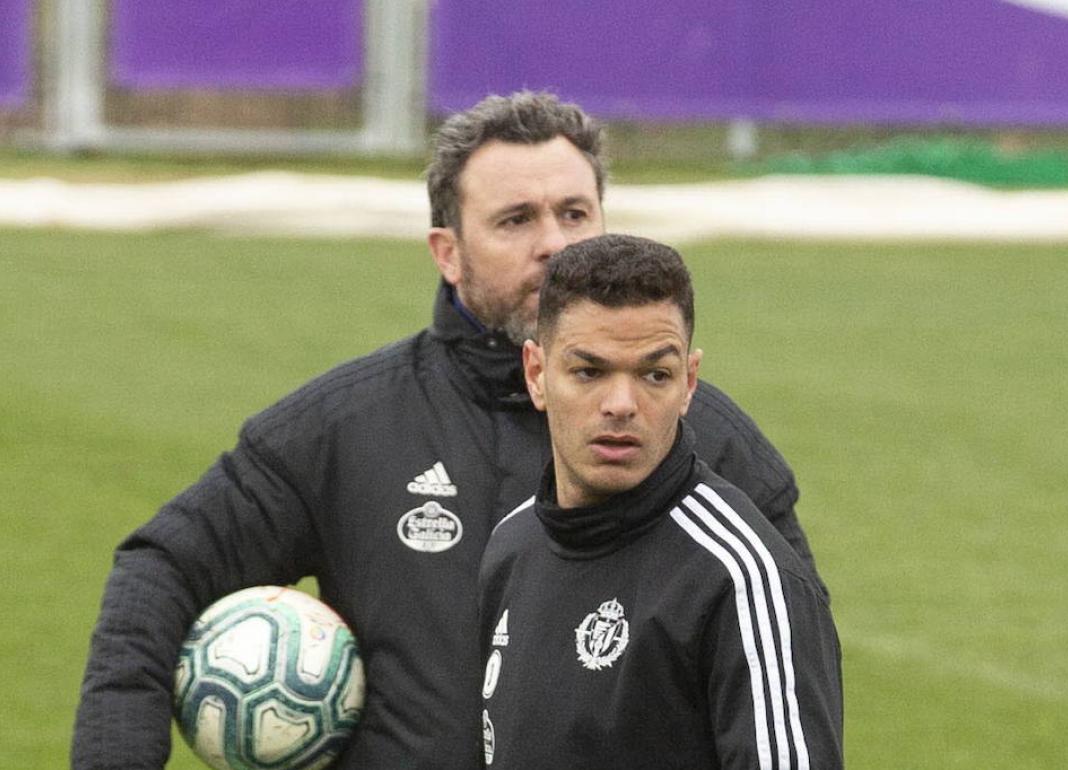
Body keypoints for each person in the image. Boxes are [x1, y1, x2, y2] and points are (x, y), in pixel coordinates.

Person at [72, 91, 823, 769]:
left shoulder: (712, 443)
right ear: (448, 252)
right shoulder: (346, 426)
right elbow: (163, 568)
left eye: (574, 214)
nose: (554, 245)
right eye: (516, 220)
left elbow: (790, 671)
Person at [479, 233, 843, 769]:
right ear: (536, 374)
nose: (621, 404)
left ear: (689, 383)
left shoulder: (742, 580)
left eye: (655, 375)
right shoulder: (512, 547)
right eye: (589, 371)